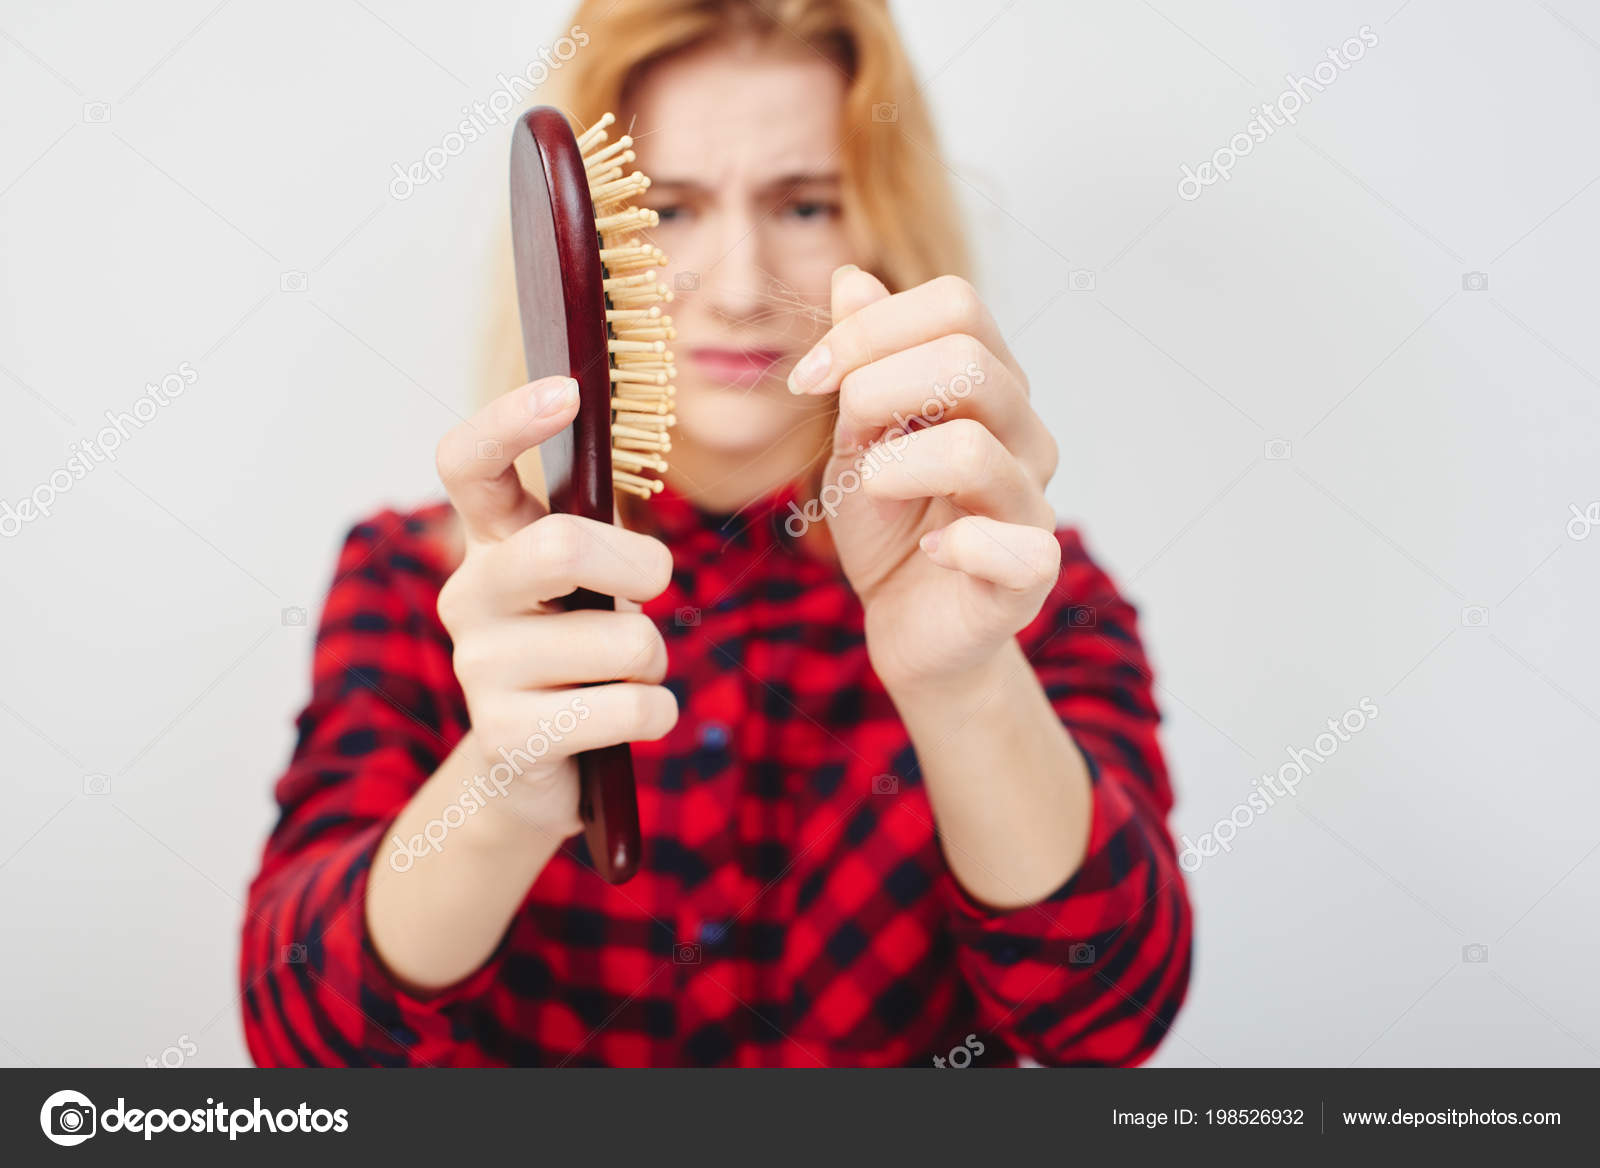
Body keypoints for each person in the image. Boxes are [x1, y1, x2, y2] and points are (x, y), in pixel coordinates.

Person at [240, 0, 1191, 1067]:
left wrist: (963, 688)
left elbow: (1107, 1021)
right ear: (577, 244)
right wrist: (499, 792)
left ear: (879, 226)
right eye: (668, 208)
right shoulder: (413, 582)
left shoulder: (1016, 582)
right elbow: (302, 1045)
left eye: (802, 204)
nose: (737, 290)